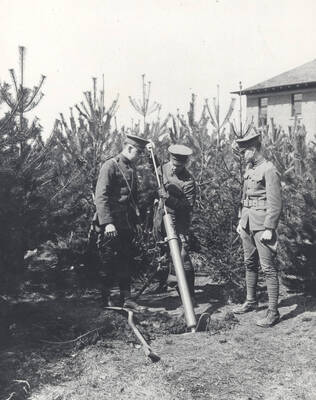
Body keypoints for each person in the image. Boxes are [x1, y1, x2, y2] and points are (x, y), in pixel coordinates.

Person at [233, 127, 282, 327]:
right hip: (247, 222)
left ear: (253, 149)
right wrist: (240, 220)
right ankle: (251, 302)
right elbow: (243, 197)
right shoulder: (250, 169)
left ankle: (273, 312)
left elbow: (276, 202)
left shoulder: (269, 169)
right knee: (249, 263)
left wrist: (270, 227)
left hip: (262, 224)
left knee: (268, 268)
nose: (242, 155)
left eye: (244, 151)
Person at [94, 134, 149, 310]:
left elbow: (132, 199)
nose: (139, 156)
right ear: (129, 148)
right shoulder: (110, 166)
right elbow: (101, 197)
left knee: (126, 260)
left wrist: (137, 221)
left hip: (126, 223)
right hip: (111, 224)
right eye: (138, 152)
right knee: (108, 260)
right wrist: (108, 223)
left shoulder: (131, 168)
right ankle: (105, 298)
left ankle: (127, 298)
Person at [148, 143, 197, 306]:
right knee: (165, 253)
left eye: (179, 166)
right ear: (170, 159)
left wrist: (168, 197)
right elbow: (154, 169)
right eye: (173, 164)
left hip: (179, 222)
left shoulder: (188, 181)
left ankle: (190, 296)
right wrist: (150, 154)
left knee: (182, 256)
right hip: (161, 218)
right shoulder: (163, 168)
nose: (175, 168)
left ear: (185, 163)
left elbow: (187, 207)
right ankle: (166, 285)